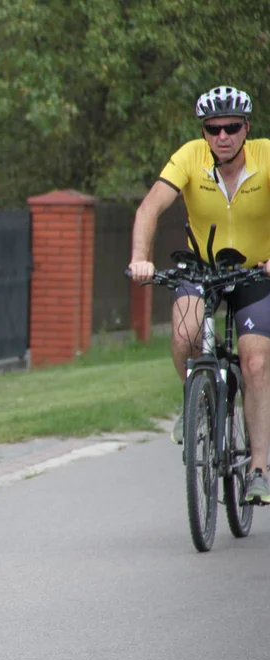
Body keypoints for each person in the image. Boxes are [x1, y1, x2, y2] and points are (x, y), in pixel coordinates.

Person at [128, 85, 270, 503]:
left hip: (255, 270)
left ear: (246, 128)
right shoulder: (189, 156)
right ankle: (196, 402)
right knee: (186, 336)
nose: (222, 136)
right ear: (204, 131)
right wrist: (140, 258)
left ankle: (259, 467)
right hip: (201, 267)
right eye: (213, 128)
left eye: (230, 127)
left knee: (256, 361)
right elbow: (149, 208)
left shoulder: (266, 155)